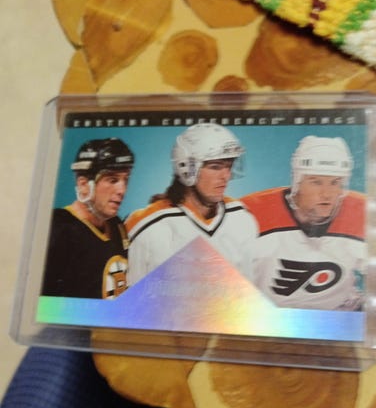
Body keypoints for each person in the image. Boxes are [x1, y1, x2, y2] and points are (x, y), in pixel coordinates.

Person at [241, 135, 366, 310]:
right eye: (316, 182)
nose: (327, 194)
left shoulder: (362, 211)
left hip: (339, 315)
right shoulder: (250, 213)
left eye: (335, 183)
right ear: (297, 183)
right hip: (268, 317)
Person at [126, 123, 258, 284]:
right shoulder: (149, 226)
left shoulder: (240, 218)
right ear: (186, 169)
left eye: (229, 167)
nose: (226, 176)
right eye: (215, 167)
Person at [42, 137, 134, 299]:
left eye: (125, 180)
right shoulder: (58, 229)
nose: (122, 190)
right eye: (112, 180)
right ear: (84, 185)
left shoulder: (117, 225)